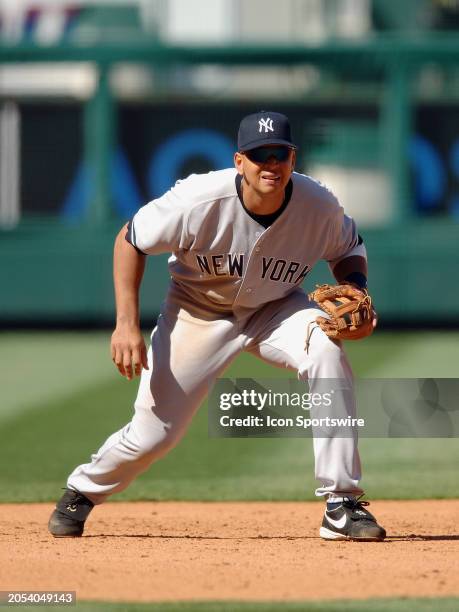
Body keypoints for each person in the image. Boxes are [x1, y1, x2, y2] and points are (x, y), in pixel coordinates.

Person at [48, 111, 386, 541]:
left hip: (276, 309)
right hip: (197, 312)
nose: (270, 164)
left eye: (279, 154)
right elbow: (130, 239)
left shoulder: (317, 204)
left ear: (293, 158)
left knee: (325, 348)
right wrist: (126, 324)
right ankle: (82, 490)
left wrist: (355, 286)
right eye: (259, 154)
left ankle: (341, 504)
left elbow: (349, 246)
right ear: (239, 161)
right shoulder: (198, 199)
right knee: (155, 435)